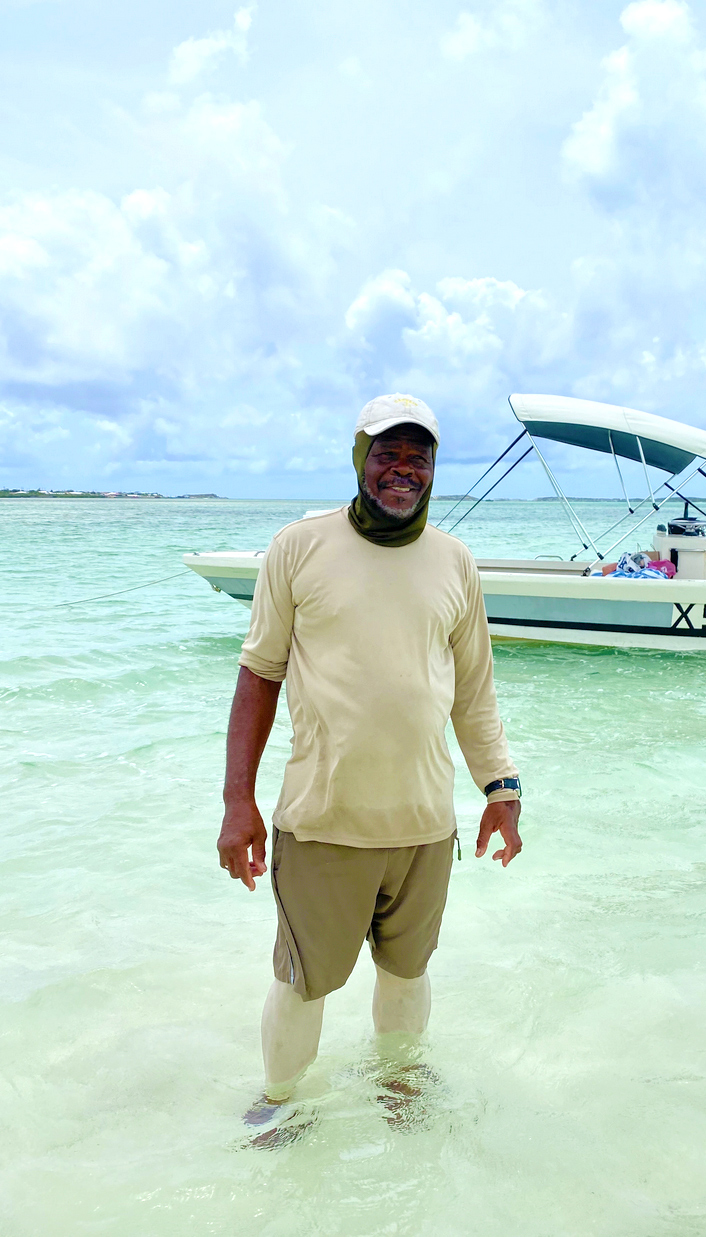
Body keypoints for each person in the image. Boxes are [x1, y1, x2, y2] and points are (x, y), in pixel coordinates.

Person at [216, 393, 522, 1143]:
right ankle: (282, 1101)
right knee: (302, 980)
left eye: (419, 457)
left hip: (423, 825)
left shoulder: (455, 562)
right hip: (322, 822)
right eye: (388, 453)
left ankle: (400, 1085)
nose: (403, 469)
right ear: (361, 458)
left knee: (409, 973)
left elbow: (474, 691)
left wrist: (501, 786)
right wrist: (237, 803)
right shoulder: (299, 546)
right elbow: (258, 675)